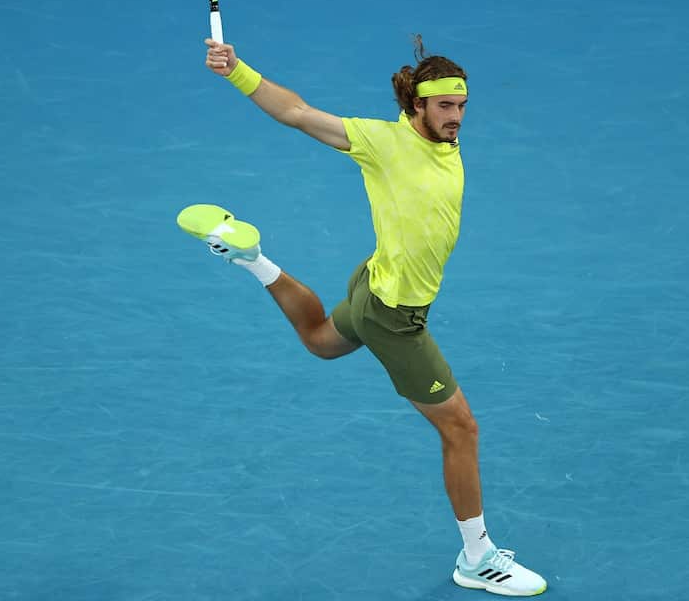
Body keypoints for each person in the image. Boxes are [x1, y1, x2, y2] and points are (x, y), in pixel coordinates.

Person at [177, 34, 547, 596]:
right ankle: (477, 557)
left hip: (371, 284)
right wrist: (236, 71)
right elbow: (297, 113)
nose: (457, 117)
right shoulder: (381, 142)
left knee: (321, 340)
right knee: (461, 429)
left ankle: (254, 260)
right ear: (415, 106)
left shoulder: (444, 143)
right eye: (445, 106)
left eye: (462, 105)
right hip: (395, 316)